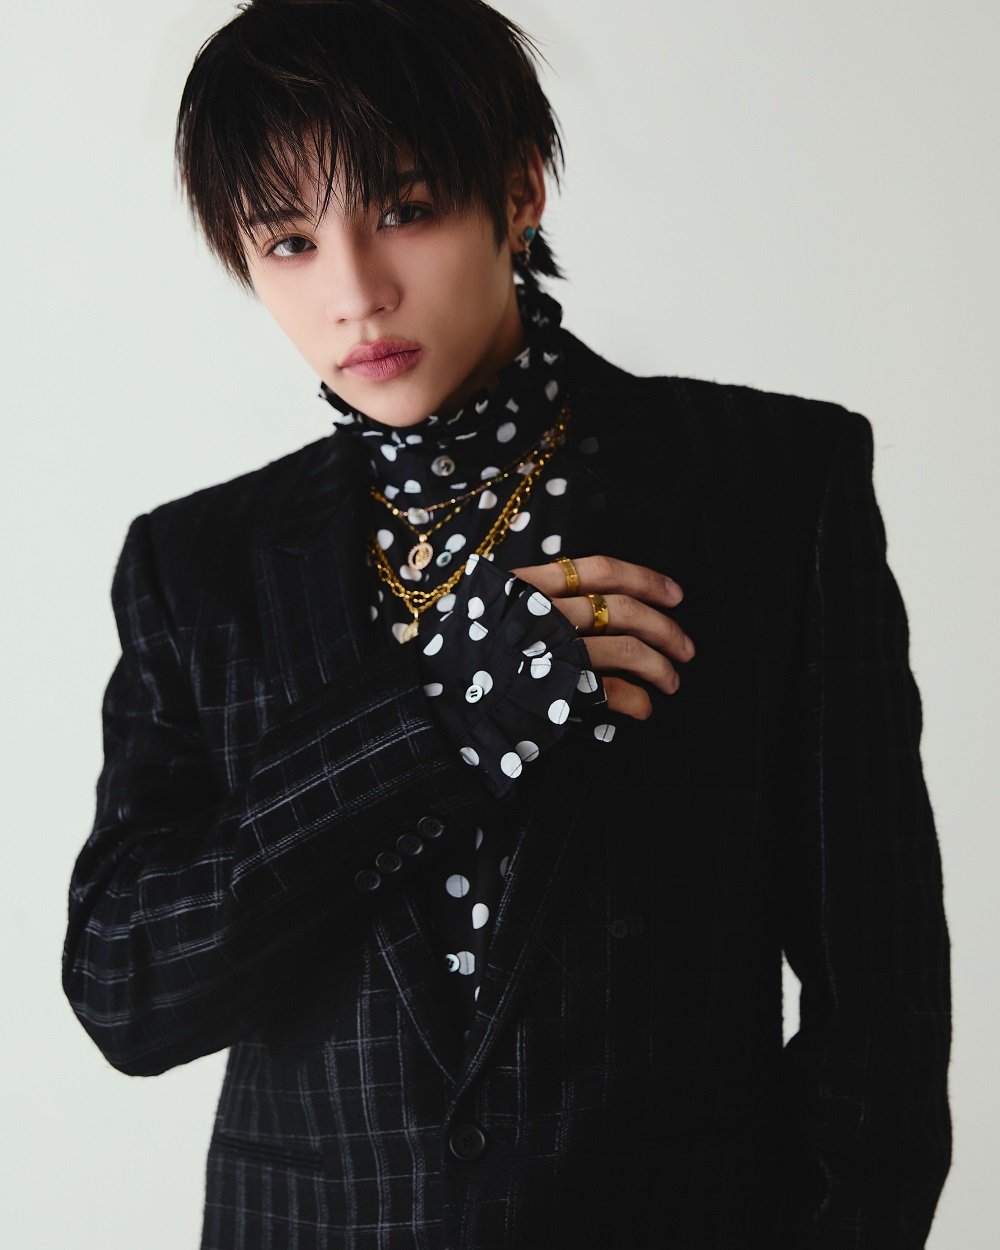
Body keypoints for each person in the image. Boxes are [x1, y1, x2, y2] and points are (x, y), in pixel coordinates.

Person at [62, 1, 951, 1246]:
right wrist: (432, 714)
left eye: (404, 210)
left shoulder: (765, 488)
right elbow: (127, 987)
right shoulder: (201, 566)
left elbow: (881, 1000)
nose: (355, 293)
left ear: (519, 188)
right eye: (288, 241)